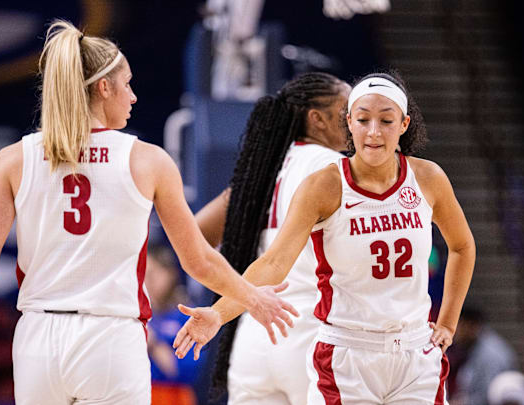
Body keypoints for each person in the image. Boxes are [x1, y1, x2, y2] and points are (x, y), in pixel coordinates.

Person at [0, 20, 297, 405]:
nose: (134, 96)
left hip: (37, 338)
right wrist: (254, 298)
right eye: (127, 84)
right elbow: (198, 260)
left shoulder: (12, 160)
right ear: (103, 88)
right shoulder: (147, 160)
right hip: (110, 338)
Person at [175, 70, 476, 404]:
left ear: (403, 124)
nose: (373, 131)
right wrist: (218, 313)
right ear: (347, 121)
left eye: (386, 121)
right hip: (326, 336)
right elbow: (274, 262)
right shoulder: (326, 175)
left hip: (400, 349)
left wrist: (447, 323)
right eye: (361, 118)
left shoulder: (268, 166)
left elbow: (462, 245)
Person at [194, 71, 352, 404]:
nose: (355, 121)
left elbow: (195, 235)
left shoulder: (262, 171)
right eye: (346, 110)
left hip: (255, 332)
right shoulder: (336, 169)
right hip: (313, 333)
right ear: (317, 119)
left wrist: (232, 290)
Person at [145, 245, 200, 405]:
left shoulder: (185, 315)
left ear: (170, 274)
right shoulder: (135, 314)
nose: (147, 283)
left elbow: (185, 371)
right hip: (140, 393)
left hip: (174, 396)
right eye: (142, 276)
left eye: (152, 275)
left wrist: (154, 343)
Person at [448, 306, 518, 405]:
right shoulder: (474, 348)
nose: (454, 332)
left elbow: (489, 397)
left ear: (470, 325)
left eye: (457, 325)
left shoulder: (490, 355)